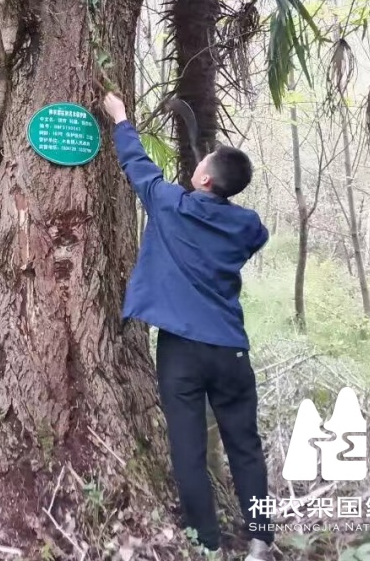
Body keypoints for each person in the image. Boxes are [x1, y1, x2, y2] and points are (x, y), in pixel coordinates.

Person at [102, 91, 274, 561]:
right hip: (230, 350)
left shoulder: (171, 204)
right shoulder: (246, 225)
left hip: (181, 350)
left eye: (202, 165)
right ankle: (260, 538)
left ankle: (207, 543)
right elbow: (255, 233)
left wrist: (120, 117)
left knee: (188, 447)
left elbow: (138, 165)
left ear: (204, 178)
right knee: (245, 445)